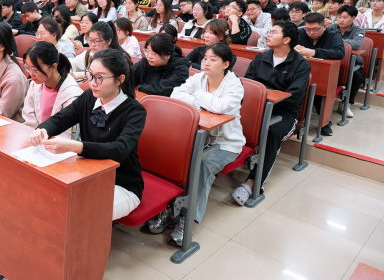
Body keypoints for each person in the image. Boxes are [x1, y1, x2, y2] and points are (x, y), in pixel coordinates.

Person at [29, 49, 145, 221]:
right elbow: (62, 118)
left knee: (79, 212)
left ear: (120, 79)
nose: (92, 83)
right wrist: (43, 130)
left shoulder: (135, 111)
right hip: (87, 173)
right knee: (47, 194)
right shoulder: (89, 97)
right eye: (90, 75)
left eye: (99, 78)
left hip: (121, 183)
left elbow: (119, 149)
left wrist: (75, 147)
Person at [146, 43, 245, 245]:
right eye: (205, 58)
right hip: (198, 139)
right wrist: (205, 101)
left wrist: (197, 96)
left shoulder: (234, 85)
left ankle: (187, 218)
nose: (206, 63)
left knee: (202, 164)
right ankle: (168, 209)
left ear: (226, 64)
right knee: (175, 159)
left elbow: (222, 106)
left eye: (213, 60)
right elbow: (176, 93)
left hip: (226, 143)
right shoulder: (199, 78)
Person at [231, 22, 310, 206]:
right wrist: (261, 97)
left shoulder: (301, 65)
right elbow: (248, 84)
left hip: (284, 113)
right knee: (230, 119)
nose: (268, 34)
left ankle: (253, 183)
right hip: (257, 108)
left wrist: (264, 95)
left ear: (287, 39)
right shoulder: (262, 57)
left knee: (271, 132)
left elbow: (294, 97)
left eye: (274, 32)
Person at [296, 12, 345, 135]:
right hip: (302, 72)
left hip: (327, 74)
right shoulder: (301, 32)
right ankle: (295, 121)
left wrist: (313, 52)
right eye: (308, 29)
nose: (311, 33)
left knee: (318, 90)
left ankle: (324, 123)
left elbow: (339, 53)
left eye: (315, 29)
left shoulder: (334, 35)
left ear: (324, 27)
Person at [21, 41, 83, 130]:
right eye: (28, 67)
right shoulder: (36, 84)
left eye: (35, 70)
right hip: (35, 135)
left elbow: (69, 132)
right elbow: (28, 118)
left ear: (54, 67)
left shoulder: (72, 94)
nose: (31, 74)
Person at [327, 6, 365, 117]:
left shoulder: (358, 30)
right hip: (333, 59)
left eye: (345, 17)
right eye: (339, 17)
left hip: (352, 62)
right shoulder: (331, 27)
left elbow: (357, 44)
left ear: (353, 18)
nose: (341, 20)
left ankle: (346, 103)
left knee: (358, 76)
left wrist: (336, 41)